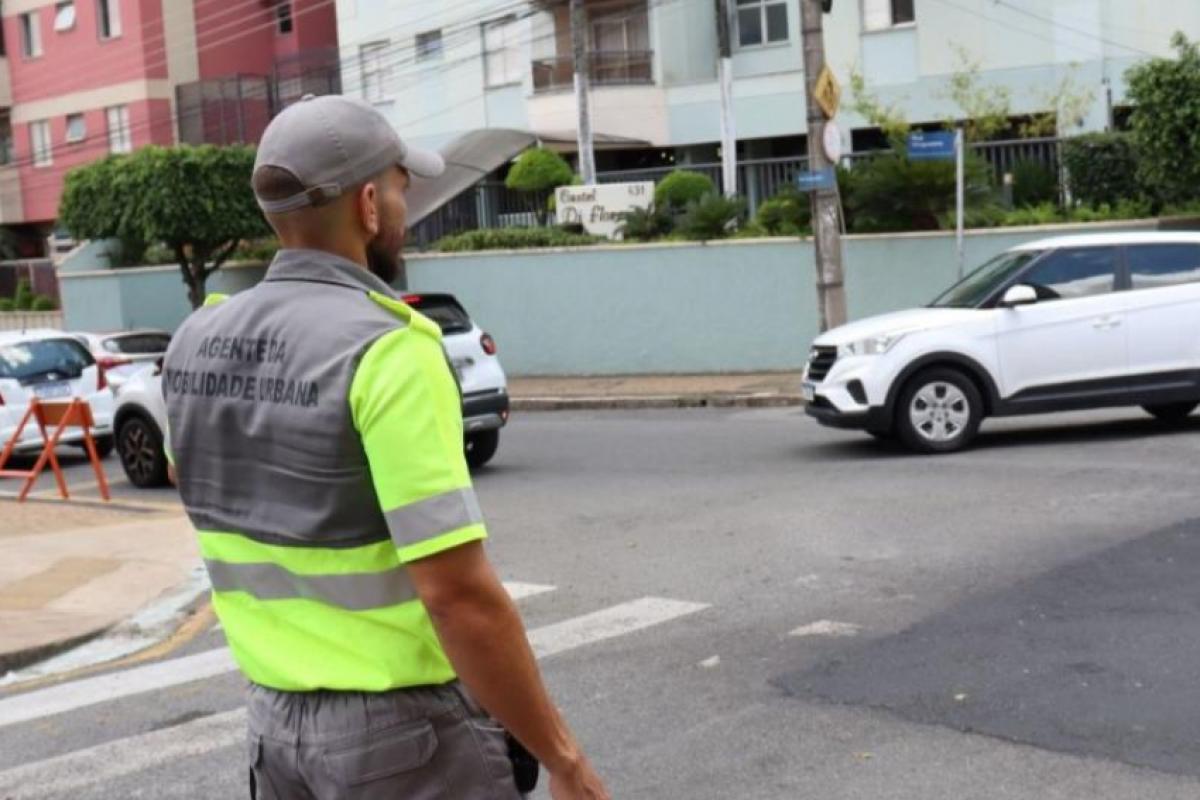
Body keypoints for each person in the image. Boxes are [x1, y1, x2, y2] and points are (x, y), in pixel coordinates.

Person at [163, 94, 610, 800]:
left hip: (274, 731)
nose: (407, 209)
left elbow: (193, 481)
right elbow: (458, 595)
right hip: (403, 741)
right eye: (404, 188)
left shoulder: (195, 341)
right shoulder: (388, 350)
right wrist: (563, 758)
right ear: (369, 204)